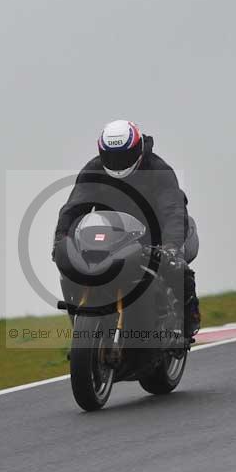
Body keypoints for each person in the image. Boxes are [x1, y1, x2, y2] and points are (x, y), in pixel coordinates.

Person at [53, 119, 201, 342]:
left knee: (178, 269)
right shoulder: (94, 169)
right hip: (112, 239)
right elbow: (74, 206)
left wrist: (170, 247)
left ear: (138, 148)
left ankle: (189, 322)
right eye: (111, 156)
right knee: (72, 266)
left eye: (123, 155)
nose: (117, 162)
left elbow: (172, 210)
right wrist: (61, 239)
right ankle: (81, 321)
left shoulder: (158, 170)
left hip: (156, 238)